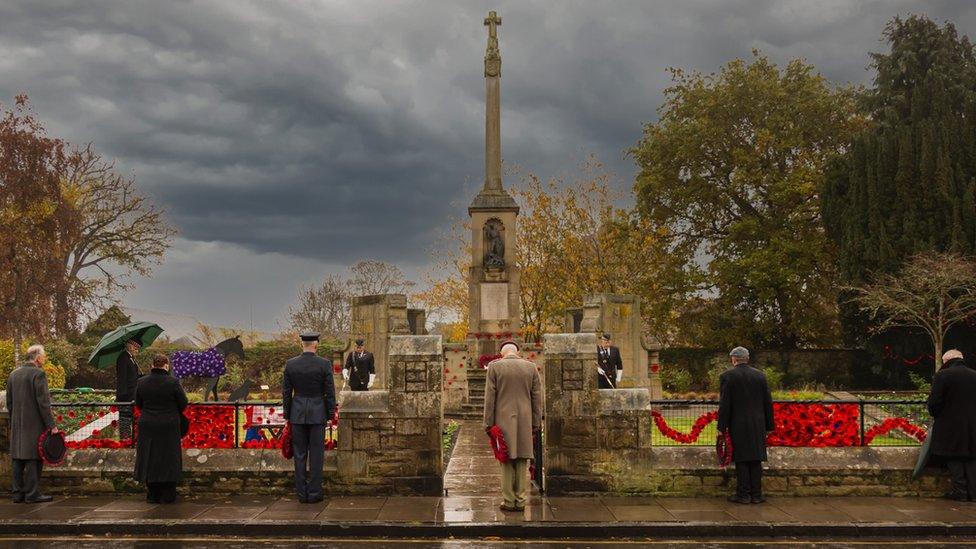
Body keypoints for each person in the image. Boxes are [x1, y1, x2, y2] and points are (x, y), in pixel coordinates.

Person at [483, 340, 543, 512]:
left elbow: (490, 398)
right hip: (525, 420)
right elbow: (536, 398)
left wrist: (488, 423)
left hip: (502, 420)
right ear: (516, 352)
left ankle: (509, 501)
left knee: (506, 459)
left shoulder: (495, 367)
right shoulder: (530, 367)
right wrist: (536, 422)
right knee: (522, 459)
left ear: (502, 353)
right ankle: (521, 500)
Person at [283, 332, 337, 503]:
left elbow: (286, 393)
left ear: (302, 345)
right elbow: (330, 392)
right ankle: (314, 493)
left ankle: (301, 493)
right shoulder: (324, 364)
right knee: (316, 455)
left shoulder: (291, 364)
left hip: (297, 414)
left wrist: (287, 415)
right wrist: (330, 414)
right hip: (317, 413)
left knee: (299, 455)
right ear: (316, 345)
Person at [717, 346, 774, 504]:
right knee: (756, 458)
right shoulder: (760, 376)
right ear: (747, 359)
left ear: (733, 359)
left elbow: (725, 405)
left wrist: (721, 428)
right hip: (758, 423)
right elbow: (767, 403)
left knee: (741, 459)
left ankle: (743, 494)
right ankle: (756, 494)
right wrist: (769, 426)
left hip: (738, 423)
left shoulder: (727, 376)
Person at [134, 354, 188, 504]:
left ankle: (152, 494)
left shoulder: (141, 382)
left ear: (152, 365)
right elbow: (183, 403)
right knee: (168, 457)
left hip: (148, 424)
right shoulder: (173, 382)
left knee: (149, 456)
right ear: (166, 365)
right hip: (168, 425)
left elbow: (138, 403)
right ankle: (168, 494)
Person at [6, 344, 58, 503]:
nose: (45, 358)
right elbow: (44, 403)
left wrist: (15, 418)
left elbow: (9, 403)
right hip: (34, 424)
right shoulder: (38, 374)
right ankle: (31, 494)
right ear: (37, 357)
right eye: (44, 356)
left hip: (17, 423)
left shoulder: (13, 375)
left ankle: (17, 494)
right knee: (34, 458)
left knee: (17, 458)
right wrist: (52, 425)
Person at [927, 349, 976, 501]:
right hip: (973, 425)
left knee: (953, 457)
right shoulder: (974, 375)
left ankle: (960, 492)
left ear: (946, 361)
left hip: (950, 425)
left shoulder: (943, 375)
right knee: (971, 458)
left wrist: (937, 414)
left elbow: (934, 403)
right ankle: (973, 494)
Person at [115, 339, 143, 440]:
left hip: (132, 395)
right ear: (130, 346)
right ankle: (125, 442)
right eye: (136, 348)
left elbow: (132, 376)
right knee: (125, 422)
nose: (137, 350)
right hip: (126, 397)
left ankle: (131, 441)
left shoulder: (131, 358)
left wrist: (141, 377)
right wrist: (123, 397)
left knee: (133, 421)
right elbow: (122, 379)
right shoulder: (123, 358)